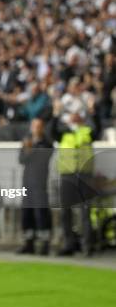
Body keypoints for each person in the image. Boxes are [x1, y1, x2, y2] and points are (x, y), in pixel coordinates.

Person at [52, 98, 101, 257]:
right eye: (72, 113)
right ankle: (69, 245)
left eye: (77, 113)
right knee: (66, 212)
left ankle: (87, 246)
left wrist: (93, 112)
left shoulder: (87, 131)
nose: (74, 116)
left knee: (85, 213)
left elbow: (97, 128)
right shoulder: (63, 133)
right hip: (67, 176)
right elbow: (51, 131)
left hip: (84, 176)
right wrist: (56, 113)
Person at [17, 118, 53, 255]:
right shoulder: (27, 141)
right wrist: (27, 150)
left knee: (41, 213)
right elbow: (21, 160)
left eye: (39, 126)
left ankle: (44, 245)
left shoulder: (47, 142)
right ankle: (28, 243)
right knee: (27, 214)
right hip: (27, 183)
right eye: (34, 126)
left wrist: (32, 149)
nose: (36, 128)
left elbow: (44, 158)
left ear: (42, 127)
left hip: (40, 183)